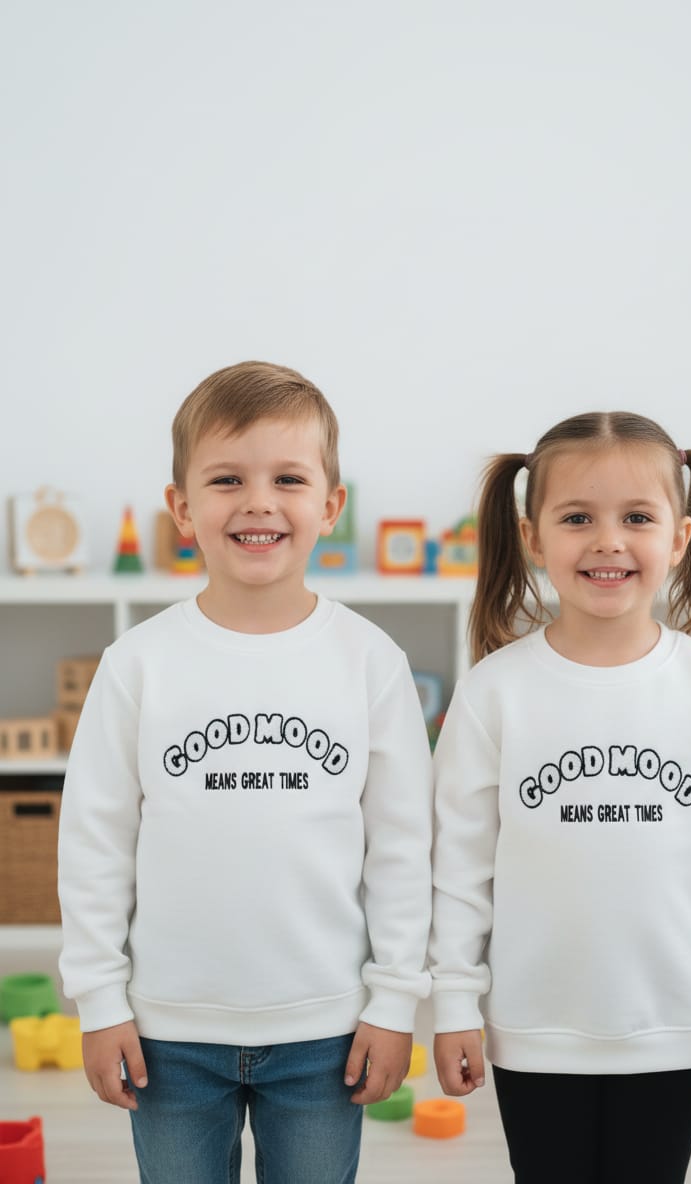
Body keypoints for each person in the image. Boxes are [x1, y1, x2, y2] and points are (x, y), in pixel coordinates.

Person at [58, 361, 433, 1184]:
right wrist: (100, 1000)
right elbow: (94, 841)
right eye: (228, 479)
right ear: (183, 509)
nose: (259, 501)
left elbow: (403, 848)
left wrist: (395, 1000)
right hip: (167, 1036)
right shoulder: (139, 665)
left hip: (327, 1035)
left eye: (288, 479)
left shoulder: (371, 661)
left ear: (330, 506)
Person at [429, 411, 691, 1184]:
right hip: (533, 1031)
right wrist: (456, 1005)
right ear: (532, 537)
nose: (608, 541)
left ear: (680, 538)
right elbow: (459, 868)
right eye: (577, 518)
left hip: (674, 1029)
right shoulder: (494, 692)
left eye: (636, 517)